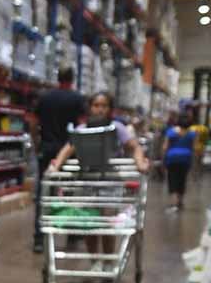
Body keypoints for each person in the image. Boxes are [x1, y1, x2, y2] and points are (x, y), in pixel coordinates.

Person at [47, 92, 150, 271]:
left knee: (107, 224)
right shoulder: (81, 129)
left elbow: (134, 147)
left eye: (104, 105)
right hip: (87, 183)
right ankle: (95, 261)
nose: (100, 109)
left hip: (110, 183)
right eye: (96, 105)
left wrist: (140, 162)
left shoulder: (117, 128)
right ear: (90, 107)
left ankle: (108, 262)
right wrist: (56, 166)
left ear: (110, 109)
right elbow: (67, 149)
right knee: (91, 224)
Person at [32, 67, 86, 252]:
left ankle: (39, 238)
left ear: (58, 77)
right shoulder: (77, 99)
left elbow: (33, 121)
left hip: (46, 150)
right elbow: (82, 125)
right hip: (69, 151)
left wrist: (36, 142)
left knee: (44, 192)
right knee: (70, 190)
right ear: (72, 78)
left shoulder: (45, 98)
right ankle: (71, 233)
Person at [162, 113, 197, 210]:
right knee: (182, 179)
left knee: (172, 179)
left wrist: (163, 158)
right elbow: (194, 148)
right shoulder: (192, 134)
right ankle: (180, 200)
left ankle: (174, 201)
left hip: (172, 158)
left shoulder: (171, 132)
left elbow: (165, 147)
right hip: (186, 158)